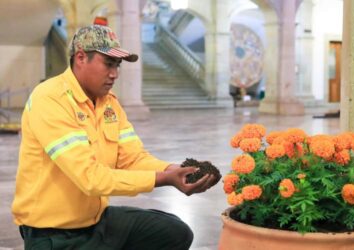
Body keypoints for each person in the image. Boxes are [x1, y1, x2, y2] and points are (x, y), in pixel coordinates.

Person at [12, 24, 218, 250]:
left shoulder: (109, 103)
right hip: (53, 235)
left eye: (117, 65)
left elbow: (132, 159)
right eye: (108, 64)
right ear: (81, 58)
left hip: (96, 222)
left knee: (174, 232)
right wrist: (163, 179)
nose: (114, 74)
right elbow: (90, 179)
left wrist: (172, 170)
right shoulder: (51, 99)